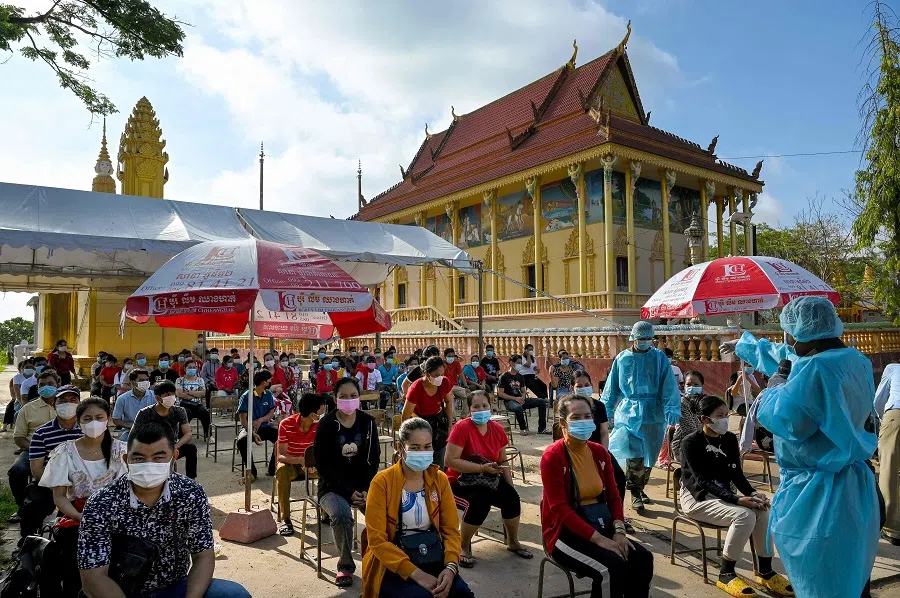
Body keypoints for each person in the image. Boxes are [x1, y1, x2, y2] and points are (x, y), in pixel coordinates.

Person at [722, 296, 880, 598]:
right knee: (855, 570)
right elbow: (794, 360)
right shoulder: (855, 361)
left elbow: (787, 420)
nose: (789, 342)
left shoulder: (814, 371)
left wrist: (774, 388)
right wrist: (749, 346)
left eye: (790, 335)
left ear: (803, 333)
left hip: (819, 494)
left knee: (823, 578)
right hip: (857, 488)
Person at [77, 420, 251, 598]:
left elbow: (203, 556)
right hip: (121, 591)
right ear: (126, 459)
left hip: (175, 586)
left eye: (158, 457)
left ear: (174, 457)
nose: (149, 464)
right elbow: (93, 576)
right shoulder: (101, 502)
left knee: (234, 594)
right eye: (139, 458)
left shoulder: (190, 493)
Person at [540, 393, 654, 598]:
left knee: (643, 558)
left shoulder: (600, 453)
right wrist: (599, 540)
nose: (583, 422)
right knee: (611, 568)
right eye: (576, 417)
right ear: (562, 422)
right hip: (564, 533)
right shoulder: (552, 456)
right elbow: (559, 508)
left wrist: (618, 531)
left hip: (600, 522)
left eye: (587, 416)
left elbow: (614, 497)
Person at [679, 396, 793, 597]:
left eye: (726, 415)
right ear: (705, 419)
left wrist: (752, 494)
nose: (724, 420)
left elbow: (736, 474)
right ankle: (726, 574)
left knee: (764, 509)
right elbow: (702, 481)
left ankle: (766, 571)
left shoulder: (730, 439)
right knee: (744, 516)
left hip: (723, 496)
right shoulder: (691, 442)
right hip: (697, 497)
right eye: (719, 416)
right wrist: (737, 500)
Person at [362, 417, 473, 598]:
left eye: (427, 446)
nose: (422, 452)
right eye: (414, 448)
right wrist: (416, 574)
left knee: (462, 594)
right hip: (393, 563)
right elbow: (377, 541)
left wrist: (451, 567)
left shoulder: (439, 479)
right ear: (400, 447)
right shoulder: (382, 483)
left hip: (433, 554)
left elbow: (451, 530)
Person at [40, 397, 127, 597]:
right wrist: (82, 518)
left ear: (108, 420)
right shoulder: (66, 452)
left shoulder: (122, 451)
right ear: (78, 422)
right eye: (87, 418)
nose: (93, 423)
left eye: (99, 417)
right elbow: (60, 497)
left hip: (117, 516)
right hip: (76, 515)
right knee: (73, 551)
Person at [445, 391, 531, 568]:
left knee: (512, 498)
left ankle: (513, 542)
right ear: (469, 409)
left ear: (490, 407)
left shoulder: (497, 429)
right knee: (479, 502)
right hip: (459, 481)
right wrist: (480, 468)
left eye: (485, 405)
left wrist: (509, 485)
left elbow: (502, 461)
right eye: (476, 406)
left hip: (489, 478)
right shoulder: (461, 428)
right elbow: (450, 461)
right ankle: (464, 545)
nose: (481, 409)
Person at [602, 321, 680, 511]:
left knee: (650, 456)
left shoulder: (659, 358)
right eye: (641, 339)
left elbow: (669, 385)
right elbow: (612, 388)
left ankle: (640, 486)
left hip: (654, 413)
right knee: (634, 454)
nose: (645, 342)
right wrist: (607, 410)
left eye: (648, 338)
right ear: (633, 339)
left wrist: (672, 408)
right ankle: (635, 492)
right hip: (629, 412)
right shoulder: (622, 359)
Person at [314, 377, 380, 588]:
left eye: (353, 396)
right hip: (332, 487)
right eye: (343, 396)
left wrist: (363, 489)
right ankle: (345, 565)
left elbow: (373, 459)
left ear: (359, 398)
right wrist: (348, 491)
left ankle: (381, 559)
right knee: (341, 515)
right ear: (335, 399)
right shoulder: (326, 425)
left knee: (382, 513)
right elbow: (323, 466)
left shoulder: (368, 422)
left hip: (363, 486)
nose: (349, 400)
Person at [19, 383, 86, 537]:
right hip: (49, 483)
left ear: (79, 404)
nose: (67, 404)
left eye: (72, 400)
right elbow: (37, 470)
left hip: (83, 484)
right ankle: (26, 544)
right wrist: (59, 491)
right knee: (32, 506)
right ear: (54, 405)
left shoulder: (87, 429)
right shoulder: (41, 433)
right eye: (62, 401)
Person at [8, 368, 60, 522]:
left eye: (50, 383)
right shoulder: (28, 409)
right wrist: (36, 449)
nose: (46, 387)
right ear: (37, 388)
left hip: (64, 451)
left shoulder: (67, 405)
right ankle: (23, 507)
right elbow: (19, 437)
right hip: (33, 449)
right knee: (16, 472)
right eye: (42, 385)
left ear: (58, 384)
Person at [572, 371, 627, 506]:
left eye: (586, 384)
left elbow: (603, 432)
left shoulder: (599, 406)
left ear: (592, 385)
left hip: (598, 449)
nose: (583, 388)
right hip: (576, 451)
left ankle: (617, 513)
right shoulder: (569, 406)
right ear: (572, 388)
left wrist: (604, 453)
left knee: (619, 477)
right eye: (579, 386)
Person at [274, 393, 325, 536]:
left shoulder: (320, 426)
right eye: (321, 409)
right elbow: (280, 456)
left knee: (329, 470)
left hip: (312, 465)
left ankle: (326, 512)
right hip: (292, 465)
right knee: (282, 471)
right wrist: (301, 460)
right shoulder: (286, 424)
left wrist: (315, 462)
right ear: (312, 414)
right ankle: (285, 518)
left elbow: (323, 451)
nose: (323, 412)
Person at [134, 381, 197, 479]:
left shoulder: (179, 411)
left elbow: (188, 434)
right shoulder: (145, 413)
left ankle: (191, 480)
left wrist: (175, 447)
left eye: (173, 394)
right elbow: (135, 436)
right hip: (152, 448)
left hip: (172, 446)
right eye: (167, 394)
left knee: (191, 448)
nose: (171, 397)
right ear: (158, 398)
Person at [403, 356, 454, 466]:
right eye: (436, 375)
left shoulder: (444, 383)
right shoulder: (416, 387)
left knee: (439, 461)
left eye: (442, 374)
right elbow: (405, 415)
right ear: (426, 373)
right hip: (419, 423)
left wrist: (450, 425)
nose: (440, 378)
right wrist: (406, 437)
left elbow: (449, 402)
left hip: (438, 425)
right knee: (421, 460)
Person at [876, 361, 900, 546]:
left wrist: (884, 419)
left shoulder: (893, 368)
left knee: (888, 472)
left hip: (895, 416)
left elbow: (878, 401)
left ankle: (892, 528)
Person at [498, 354, 550, 435]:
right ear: (511, 363)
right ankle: (523, 429)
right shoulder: (504, 377)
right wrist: (515, 399)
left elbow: (523, 391)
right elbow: (500, 393)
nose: (520, 365)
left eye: (520, 363)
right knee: (518, 408)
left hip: (520, 399)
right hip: (510, 401)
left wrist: (522, 397)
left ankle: (542, 429)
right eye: (518, 363)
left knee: (542, 402)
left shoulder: (520, 377)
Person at [111, 369, 156, 442]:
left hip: (152, 430)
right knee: (123, 444)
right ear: (132, 382)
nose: (145, 382)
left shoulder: (155, 396)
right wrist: (132, 426)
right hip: (130, 430)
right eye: (141, 380)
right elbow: (116, 420)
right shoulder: (122, 399)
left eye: (147, 380)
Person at [671, 370, 705, 460]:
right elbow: (690, 430)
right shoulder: (682, 404)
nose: (692, 387)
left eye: (696, 384)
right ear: (684, 387)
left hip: (703, 442)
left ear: (702, 386)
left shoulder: (705, 402)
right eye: (688, 385)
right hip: (684, 446)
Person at [175, 359, 211, 439]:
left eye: (194, 367)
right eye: (190, 367)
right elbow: (180, 394)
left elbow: (203, 393)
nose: (192, 369)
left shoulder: (200, 380)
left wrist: (188, 392)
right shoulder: (179, 380)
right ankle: (182, 436)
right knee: (186, 414)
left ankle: (208, 435)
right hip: (183, 404)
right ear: (185, 369)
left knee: (205, 413)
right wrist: (196, 394)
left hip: (197, 404)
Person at [442, 347, 470, 413]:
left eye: (452, 356)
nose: (451, 358)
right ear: (445, 356)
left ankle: (464, 415)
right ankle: (452, 417)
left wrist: (466, 386)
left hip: (455, 386)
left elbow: (461, 374)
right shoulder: (442, 364)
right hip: (446, 387)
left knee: (468, 395)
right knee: (450, 398)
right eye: (449, 356)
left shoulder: (456, 363)